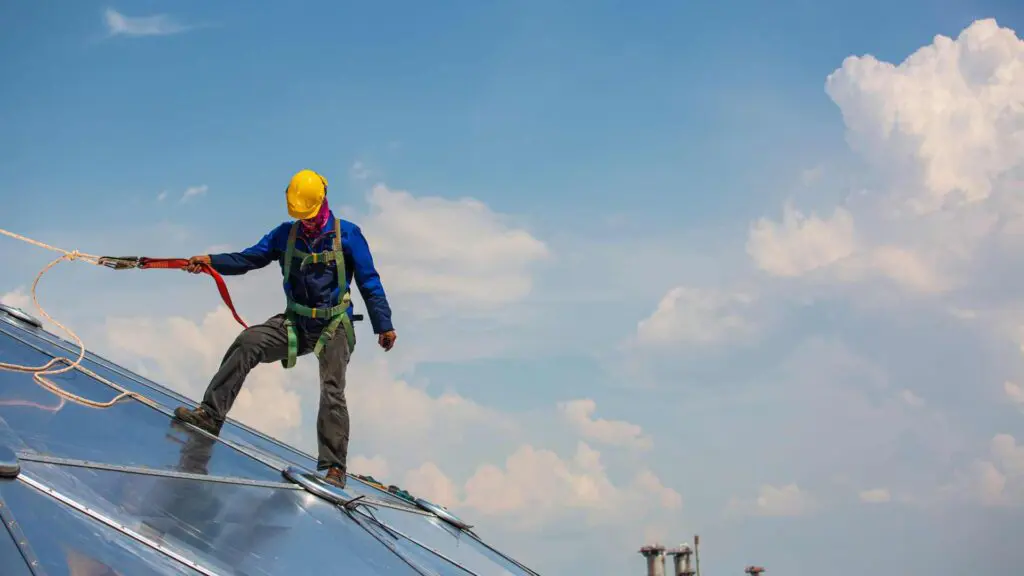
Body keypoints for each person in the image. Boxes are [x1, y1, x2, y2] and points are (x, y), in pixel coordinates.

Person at [172, 169, 396, 489]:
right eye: (300, 216)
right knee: (247, 342)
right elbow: (249, 258)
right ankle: (209, 416)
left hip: (334, 325)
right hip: (295, 323)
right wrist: (211, 261)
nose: (305, 221)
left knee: (332, 386)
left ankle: (334, 468)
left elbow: (369, 282)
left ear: (322, 202)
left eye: (309, 215)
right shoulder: (285, 235)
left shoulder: (348, 235)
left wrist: (383, 325)